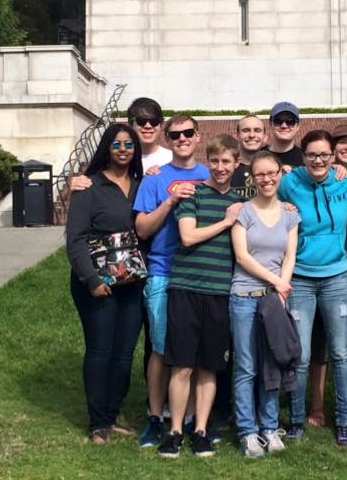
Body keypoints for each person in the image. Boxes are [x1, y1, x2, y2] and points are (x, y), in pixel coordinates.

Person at [158, 134, 244, 459]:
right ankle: (176, 430)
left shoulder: (240, 203)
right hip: (185, 288)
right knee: (181, 365)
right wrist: (226, 221)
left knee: (209, 367)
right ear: (209, 161)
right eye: (216, 161)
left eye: (227, 162)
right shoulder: (193, 193)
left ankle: (201, 430)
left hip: (220, 292)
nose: (221, 168)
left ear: (236, 164)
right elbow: (188, 236)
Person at [277, 129, 347, 446]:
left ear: (333, 156)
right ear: (303, 155)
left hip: (337, 275)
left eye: (325, 154)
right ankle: (296, 420)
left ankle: (343, 420)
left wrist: (346, 168)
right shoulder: (290, 182)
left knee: (340, 352)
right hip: (299, 277)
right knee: (301, 354)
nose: (318, 160)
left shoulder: (346, 182)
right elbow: (268, 197)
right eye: (312, 154)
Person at [133, 114, 209, 447]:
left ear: (198, 135)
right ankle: (154, 416)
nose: (181, 138)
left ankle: (191, 419)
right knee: (162, 350)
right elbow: (142, 229)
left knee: (192, 351)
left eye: (187, 133)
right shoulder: (154, 179)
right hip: (163, 271)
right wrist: (170, 200)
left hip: (200, 273)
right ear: (168, 138)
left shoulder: (210, 174)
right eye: (174, 134)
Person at [66, 123, 144, 445]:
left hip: (132, 282)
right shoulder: (89, 187)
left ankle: (112, 415)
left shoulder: (142, 186)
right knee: (100, 351)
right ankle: (97, 423)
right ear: (106, 149)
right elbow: (75, 240)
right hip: (97, 283)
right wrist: (92, 280)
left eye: (129, 144)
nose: (123, 149)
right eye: (116, 144)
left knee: (124, 353)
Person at [229, 150, 300, 457]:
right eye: (260, 174)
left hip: (274, 299)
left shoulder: (289, 214)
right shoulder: (242, 212)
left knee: (272, 364)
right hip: (244, 297)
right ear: (253, 178)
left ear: (279, 175)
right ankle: (247, 431)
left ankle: (269, 428)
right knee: (246, 367)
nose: (267, 179)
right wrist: (276, 283)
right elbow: (242, 257)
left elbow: (290, 256)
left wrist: (281, 291)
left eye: (272, 173)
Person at [306, 122, 347, 428]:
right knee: (317, 345)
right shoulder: (309, 176)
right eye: (343, 143)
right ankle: (316, 405)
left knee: (343, 345)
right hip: (313, 273)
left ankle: (344, 407)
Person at [231, 114, 268, 198]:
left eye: (257, 130)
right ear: (237, 136)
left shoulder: (273, 170)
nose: (251, 135)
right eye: (246, 130)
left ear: (265, 137)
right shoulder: (226, 169)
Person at [263, 101, 304, 170]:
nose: (284, 126)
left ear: (298, 126)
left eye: (290, 122)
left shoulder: (307, 158)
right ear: (270, 124)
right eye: (278, 121)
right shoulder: (258, 156)